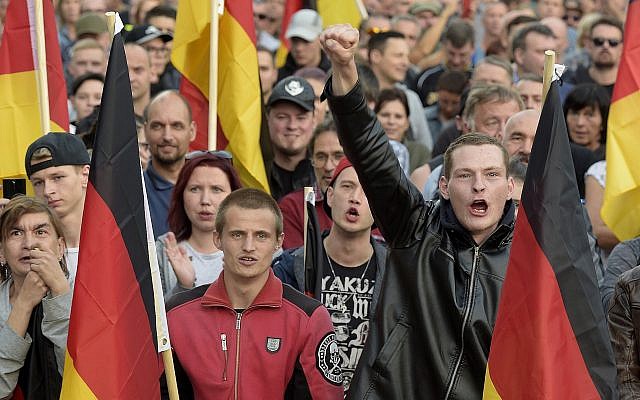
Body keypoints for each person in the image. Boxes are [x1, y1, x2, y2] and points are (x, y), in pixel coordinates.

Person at [320, 24, 516, 399]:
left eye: (491, 175)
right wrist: (345, 71)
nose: (478, 185)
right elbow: (371, 154)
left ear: (509, 188)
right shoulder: (415, 227)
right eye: (465, 175)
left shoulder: (529, 255)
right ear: (443, 185)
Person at [164, 188, 344, 399]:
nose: (248, 247)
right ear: (218, 238)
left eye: (261, 236)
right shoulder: (176, 315)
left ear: (278, 241)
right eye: (237, 234)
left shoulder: (308, 318)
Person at [274, 158, 387, 392]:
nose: (355, 197)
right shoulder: (291, 266)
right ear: (330, 195)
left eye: (367, 191)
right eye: (347, 186)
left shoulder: (396, 271)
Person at [0, 196, 72, 399]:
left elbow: (84, 376)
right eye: (16, 233)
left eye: (40, 232)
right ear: (1, 252)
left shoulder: (88, 298)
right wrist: (23, 304)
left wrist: (59, 291)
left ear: (60, 247)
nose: (29, 243)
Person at [156, 151, 242, 296]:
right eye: (195, 189)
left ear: (233, 196)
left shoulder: (258, 247)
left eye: (216, 189)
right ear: (181, 194)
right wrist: (184, 287)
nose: (205, 200)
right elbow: (154, 316)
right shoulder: (163, 249)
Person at [24, 132, 91, 281]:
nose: (48, 191)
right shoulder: (27, 250)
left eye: (57, 178)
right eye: (38, 183)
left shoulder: (116, 240)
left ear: (85, 176)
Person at [278, 119, 343, 249]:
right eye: (321, 157)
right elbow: (296, 265)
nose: (328, 166)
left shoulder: (373, 206)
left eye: (338, 156)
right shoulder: (293, 206)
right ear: (311, 160)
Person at [143, 90, 196, 239]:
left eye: (176, 126)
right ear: (146, 131)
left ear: (192, 131)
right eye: (158, 126)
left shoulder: (212, 192)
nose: (167, 136)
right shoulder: (133, 193)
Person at [266, 76, 317, 201]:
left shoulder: (326, 174)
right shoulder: (251, 172)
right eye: (282, 117)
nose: (292, 126)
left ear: (314, 120)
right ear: (267, 118)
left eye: (301, 118)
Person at [563, 15, 623, 98]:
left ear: (621, 48)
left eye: (613, 42)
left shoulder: (632, 88)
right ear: (588, 45)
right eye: (599, 41)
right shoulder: (571, 82)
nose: (605, 46)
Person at [375, 88, 430, 173]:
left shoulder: (420, 153)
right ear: (374, 118)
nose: (391, 121)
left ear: (407, 123)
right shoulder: (363, 149)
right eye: (385, 115)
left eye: (398, 116)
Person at [277, 9, 331, 81]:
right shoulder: (277, 77)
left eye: (306, 41)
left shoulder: (335, 76)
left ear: (321, 40)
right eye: (294, 40)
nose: (299, 48)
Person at [563, 83, 609, 160]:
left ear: (603, 121)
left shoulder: (612, 160)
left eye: (589, 115)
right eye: (575, 113)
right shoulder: (554, 156)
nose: (580, 123)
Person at [125, 42, 154, 117]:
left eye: (138, 70)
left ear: (152, 73)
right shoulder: (100, 119)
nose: (130, 78)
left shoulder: (165, 117)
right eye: (123, 71)